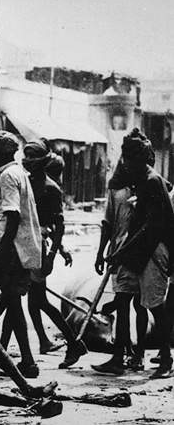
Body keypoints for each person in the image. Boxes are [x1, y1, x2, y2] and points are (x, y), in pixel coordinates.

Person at [0, 140, 87, 368]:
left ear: (43, 163)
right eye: (27, 161)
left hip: (37, 248)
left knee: (15, 299)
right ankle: (72, 344)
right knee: (24, 300)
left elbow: (59, 225)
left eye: (34, 162)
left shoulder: (51, 188)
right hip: (22, 246)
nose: (29, 165)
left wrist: (53, 255)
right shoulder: (23, 180)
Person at [94, 129, 174, 378]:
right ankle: (118, 358)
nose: (125, 163)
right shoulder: (139, 180)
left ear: (140, 159)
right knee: (123, 297)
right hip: (136, 250)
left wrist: (122, 253)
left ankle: (165, 360)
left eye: (129, 159)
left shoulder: (152, 181)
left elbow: (152, 227)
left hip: (152, 251)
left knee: (153, 306)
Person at [0, 131, 42, 378]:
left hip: (8, 251)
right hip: (13, 250)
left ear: (1, 153)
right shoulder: (17, 173)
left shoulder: (8, 177)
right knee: (13, 304)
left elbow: (12, 218)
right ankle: (28, 361)